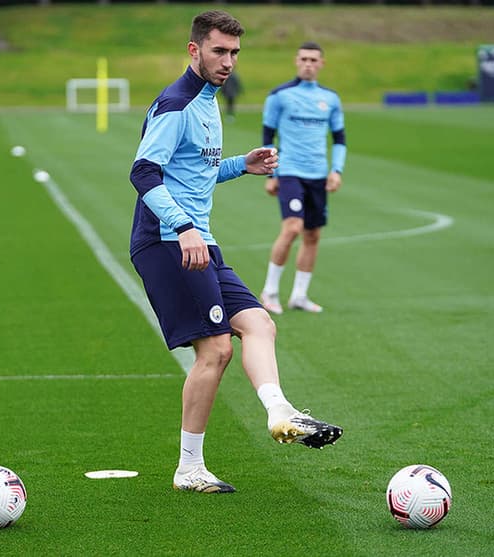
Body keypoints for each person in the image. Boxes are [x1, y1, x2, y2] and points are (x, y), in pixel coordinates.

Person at [129, 11, 342, 494]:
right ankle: (189, 468)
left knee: (259, 322)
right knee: (217, 349)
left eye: (234, 53)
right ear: (194, 50)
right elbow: (144, 173)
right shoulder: (177, 104)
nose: (228, 62)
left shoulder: (209, 101)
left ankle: (280, 412)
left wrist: (238, 166)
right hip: (168, 243)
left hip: (199, 240)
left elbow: (194, 171)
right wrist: (182, 227)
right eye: (219, 51)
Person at [259, 42, 346, 314]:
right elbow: (267, 137)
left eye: (314, 59)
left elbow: (340, 139)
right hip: (290, 171)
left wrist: (336, 170)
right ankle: (269, 292)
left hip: (318, 174)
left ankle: (299, 295)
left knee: (312, 234)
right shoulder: (279, 96)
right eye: (304, 59)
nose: (308, 63)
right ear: (296, 61)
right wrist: (272, 172)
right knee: (293, 227)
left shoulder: (330, 99)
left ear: (322, 64)